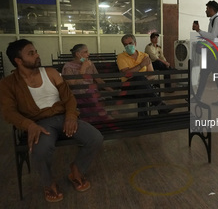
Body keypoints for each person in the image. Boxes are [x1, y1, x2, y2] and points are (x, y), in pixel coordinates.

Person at [0, 39, 103, 202]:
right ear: (18, 60)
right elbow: (8, 112)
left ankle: (76, 170)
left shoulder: (51, 73)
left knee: (95, 138)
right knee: (40, 151)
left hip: (63, 117)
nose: (37, 55)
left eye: (36, 51)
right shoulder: (8, 84)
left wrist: (70, 116)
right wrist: (29, 125)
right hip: (40, 123)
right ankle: (48, 183)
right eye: (31, 53)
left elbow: (68, 98)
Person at [117, 34, 172, 116]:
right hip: (128, 86)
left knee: (141, 84)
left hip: (142, 86)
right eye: (125, 44)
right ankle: (160, 106)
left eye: (130, 43)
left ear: (135, 43)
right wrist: (141, 65)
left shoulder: (144, 56)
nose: (128, 46)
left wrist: (142, 80)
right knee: (139, 78)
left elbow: (152, 75)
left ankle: (143, 117)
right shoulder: (121, 57)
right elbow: (127, 75)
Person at [62, 44, 114, 122]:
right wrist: (83, 68)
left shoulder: (90, 64)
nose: (88, 54)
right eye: (85, 52)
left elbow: (98, 79)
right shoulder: (68, 67)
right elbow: (73, 85)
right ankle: (104, 118)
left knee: (91, 93)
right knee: (89, 94)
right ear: (78, 54)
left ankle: (99, 119)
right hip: (77, 94)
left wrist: (111, 90)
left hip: (91, 92)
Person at [192, 0, 218, 105]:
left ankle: (198, 97)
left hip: (213, 51)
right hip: (212, 50)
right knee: (216, 75)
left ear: (212, 10)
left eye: (207, 8)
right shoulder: (213, 20)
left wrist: (199, 31)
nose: (206, 10)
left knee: (204, 74)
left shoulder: (217, 20)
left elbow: (213, 37)